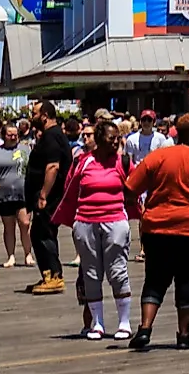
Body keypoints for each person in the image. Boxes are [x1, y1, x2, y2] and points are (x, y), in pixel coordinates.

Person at [123, 112, 189, 351]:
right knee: (188, 279)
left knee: (155, 279)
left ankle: (145, 329)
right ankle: (184, 335)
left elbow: (130, 187)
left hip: (158, 225)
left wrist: (146, 206)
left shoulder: (157, 157)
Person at [54, 118, 135, 339]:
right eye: (111, 138)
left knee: (118, 271)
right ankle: (97, 324)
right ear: (99, 140)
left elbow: (136, 186)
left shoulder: (123, 161)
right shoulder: (83, 161)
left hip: (115, 221)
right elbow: (70, 189)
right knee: (91, 274)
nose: (116, 142)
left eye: (118, 138)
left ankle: (124, 322)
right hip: (85, 222)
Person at [22, 102, 71, 295]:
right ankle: (48, 274)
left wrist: (43, 194)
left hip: (50, 197)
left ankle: (55, 276)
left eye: (34, 113)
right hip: (46, 196)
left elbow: (53, 167)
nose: (31, 116)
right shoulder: (51, 136)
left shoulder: (52, 136)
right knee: (39, 233)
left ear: (44, 115)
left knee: (44, 234)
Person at [0, 122, 29, 270]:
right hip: (4, 193)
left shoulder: (25, 149)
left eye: (15, 134)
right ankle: (11, 255)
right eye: (9, 134)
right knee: (9, 226)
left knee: (25, 223)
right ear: (3, 136)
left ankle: (27, 253)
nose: (13, 137)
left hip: (23, 192)